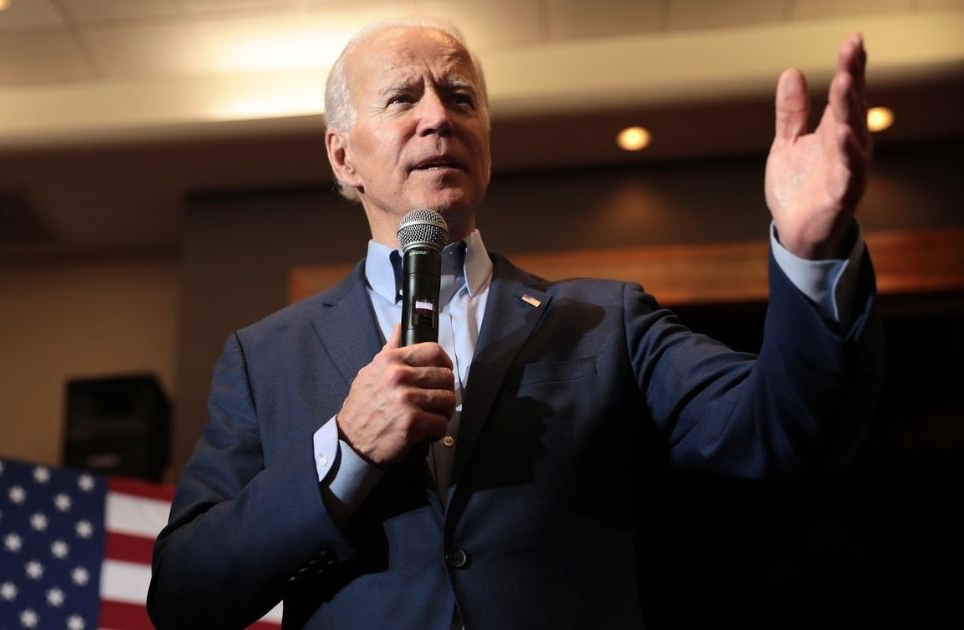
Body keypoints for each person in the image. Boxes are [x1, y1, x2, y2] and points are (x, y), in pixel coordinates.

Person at [147, 19, 883, 629]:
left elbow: (791, 428)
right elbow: (185, 595)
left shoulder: (606, 323)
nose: (438, 115)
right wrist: (345, 452)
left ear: (487, 144)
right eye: (403, 98)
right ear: (344, 157)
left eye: (460, 97)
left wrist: (810, 252)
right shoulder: (265, 357)